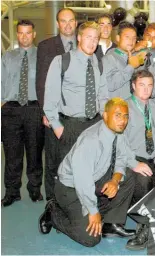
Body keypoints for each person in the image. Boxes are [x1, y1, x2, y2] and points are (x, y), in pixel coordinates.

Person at [38, 98, 152, 247]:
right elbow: (82, 181)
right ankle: (53, 213)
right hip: (70, 188)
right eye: (117, 115)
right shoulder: (90, 141)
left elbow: (121, 158)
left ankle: (111, 224)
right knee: (90, 238)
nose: (123, 120)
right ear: (105, 115)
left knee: (128, 176)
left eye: (125, 116)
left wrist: (115, 181)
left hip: (95, 180)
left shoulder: (118, 131)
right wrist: (92, 211)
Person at [43, 21, 108, 163]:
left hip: (95, 125)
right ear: (79, 38)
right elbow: (50, 98)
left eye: (96, 38)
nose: (92, 42)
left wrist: (105, 120)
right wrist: (59, 129)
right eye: (88, 37)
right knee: (69, 175)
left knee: (93, 170)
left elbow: (103, 95)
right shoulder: (62, 61)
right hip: (70, 126)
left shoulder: (99, 63)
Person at [1, 20, 44, 206]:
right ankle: (12, 192)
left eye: (28, 33)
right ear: (17, 35)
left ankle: (34, 189)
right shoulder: (7, 57)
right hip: (10, 109)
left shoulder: (42, 57)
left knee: (34, 153)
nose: (24, 36)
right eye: (21, 33)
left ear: (34, 34)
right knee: (11, 154)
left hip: (34, 108)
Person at [36, 7, 77, 201]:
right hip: (55, 112)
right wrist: (46, 111)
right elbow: (41, 81)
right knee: (52, 160)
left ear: (75, 23)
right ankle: (52, 203)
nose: (67, 25)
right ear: (58, 23)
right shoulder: (46, 46)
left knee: (76, 157)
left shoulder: (86, 44)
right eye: (63, 21)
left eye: (71, 21)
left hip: (78, 114)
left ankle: (74, 199)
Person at [124, 70, 155, 203]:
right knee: (144, 182)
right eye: (142, 85)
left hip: (151, 158)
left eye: (149, 85)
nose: (146, 89)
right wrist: (133, 163)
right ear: (133, 86)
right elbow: (119, 142)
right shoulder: (124, 108)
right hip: (131, 158)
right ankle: (144, 220)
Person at [102, 22, 145, 99]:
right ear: (118, 38)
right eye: (127, 37)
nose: (131, 41)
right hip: (118, 107)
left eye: (134, 38)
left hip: (133, 106)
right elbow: (110, 84)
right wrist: (130, 67)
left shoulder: (135, 57)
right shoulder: (110, 58)